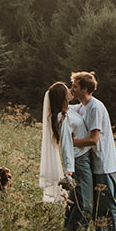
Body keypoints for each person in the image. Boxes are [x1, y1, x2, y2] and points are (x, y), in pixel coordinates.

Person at [69, 70, 116, 231]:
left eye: (75, 86)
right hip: (94, 163)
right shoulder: (82, 107)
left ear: (85, 89)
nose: (72, 89)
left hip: (103, 163)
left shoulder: (95, 107)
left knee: (107, 203)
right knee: (98, 204)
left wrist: (71, 143)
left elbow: (93, 139)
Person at [37, 81, 79, 213]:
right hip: (78, 157)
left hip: (82, 155)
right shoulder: (62, 117)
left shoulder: (69, 110)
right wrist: (68, 169)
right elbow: (66, 145)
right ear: (63, 95)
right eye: (67, 89)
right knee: (78, 198)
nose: (70, 90)